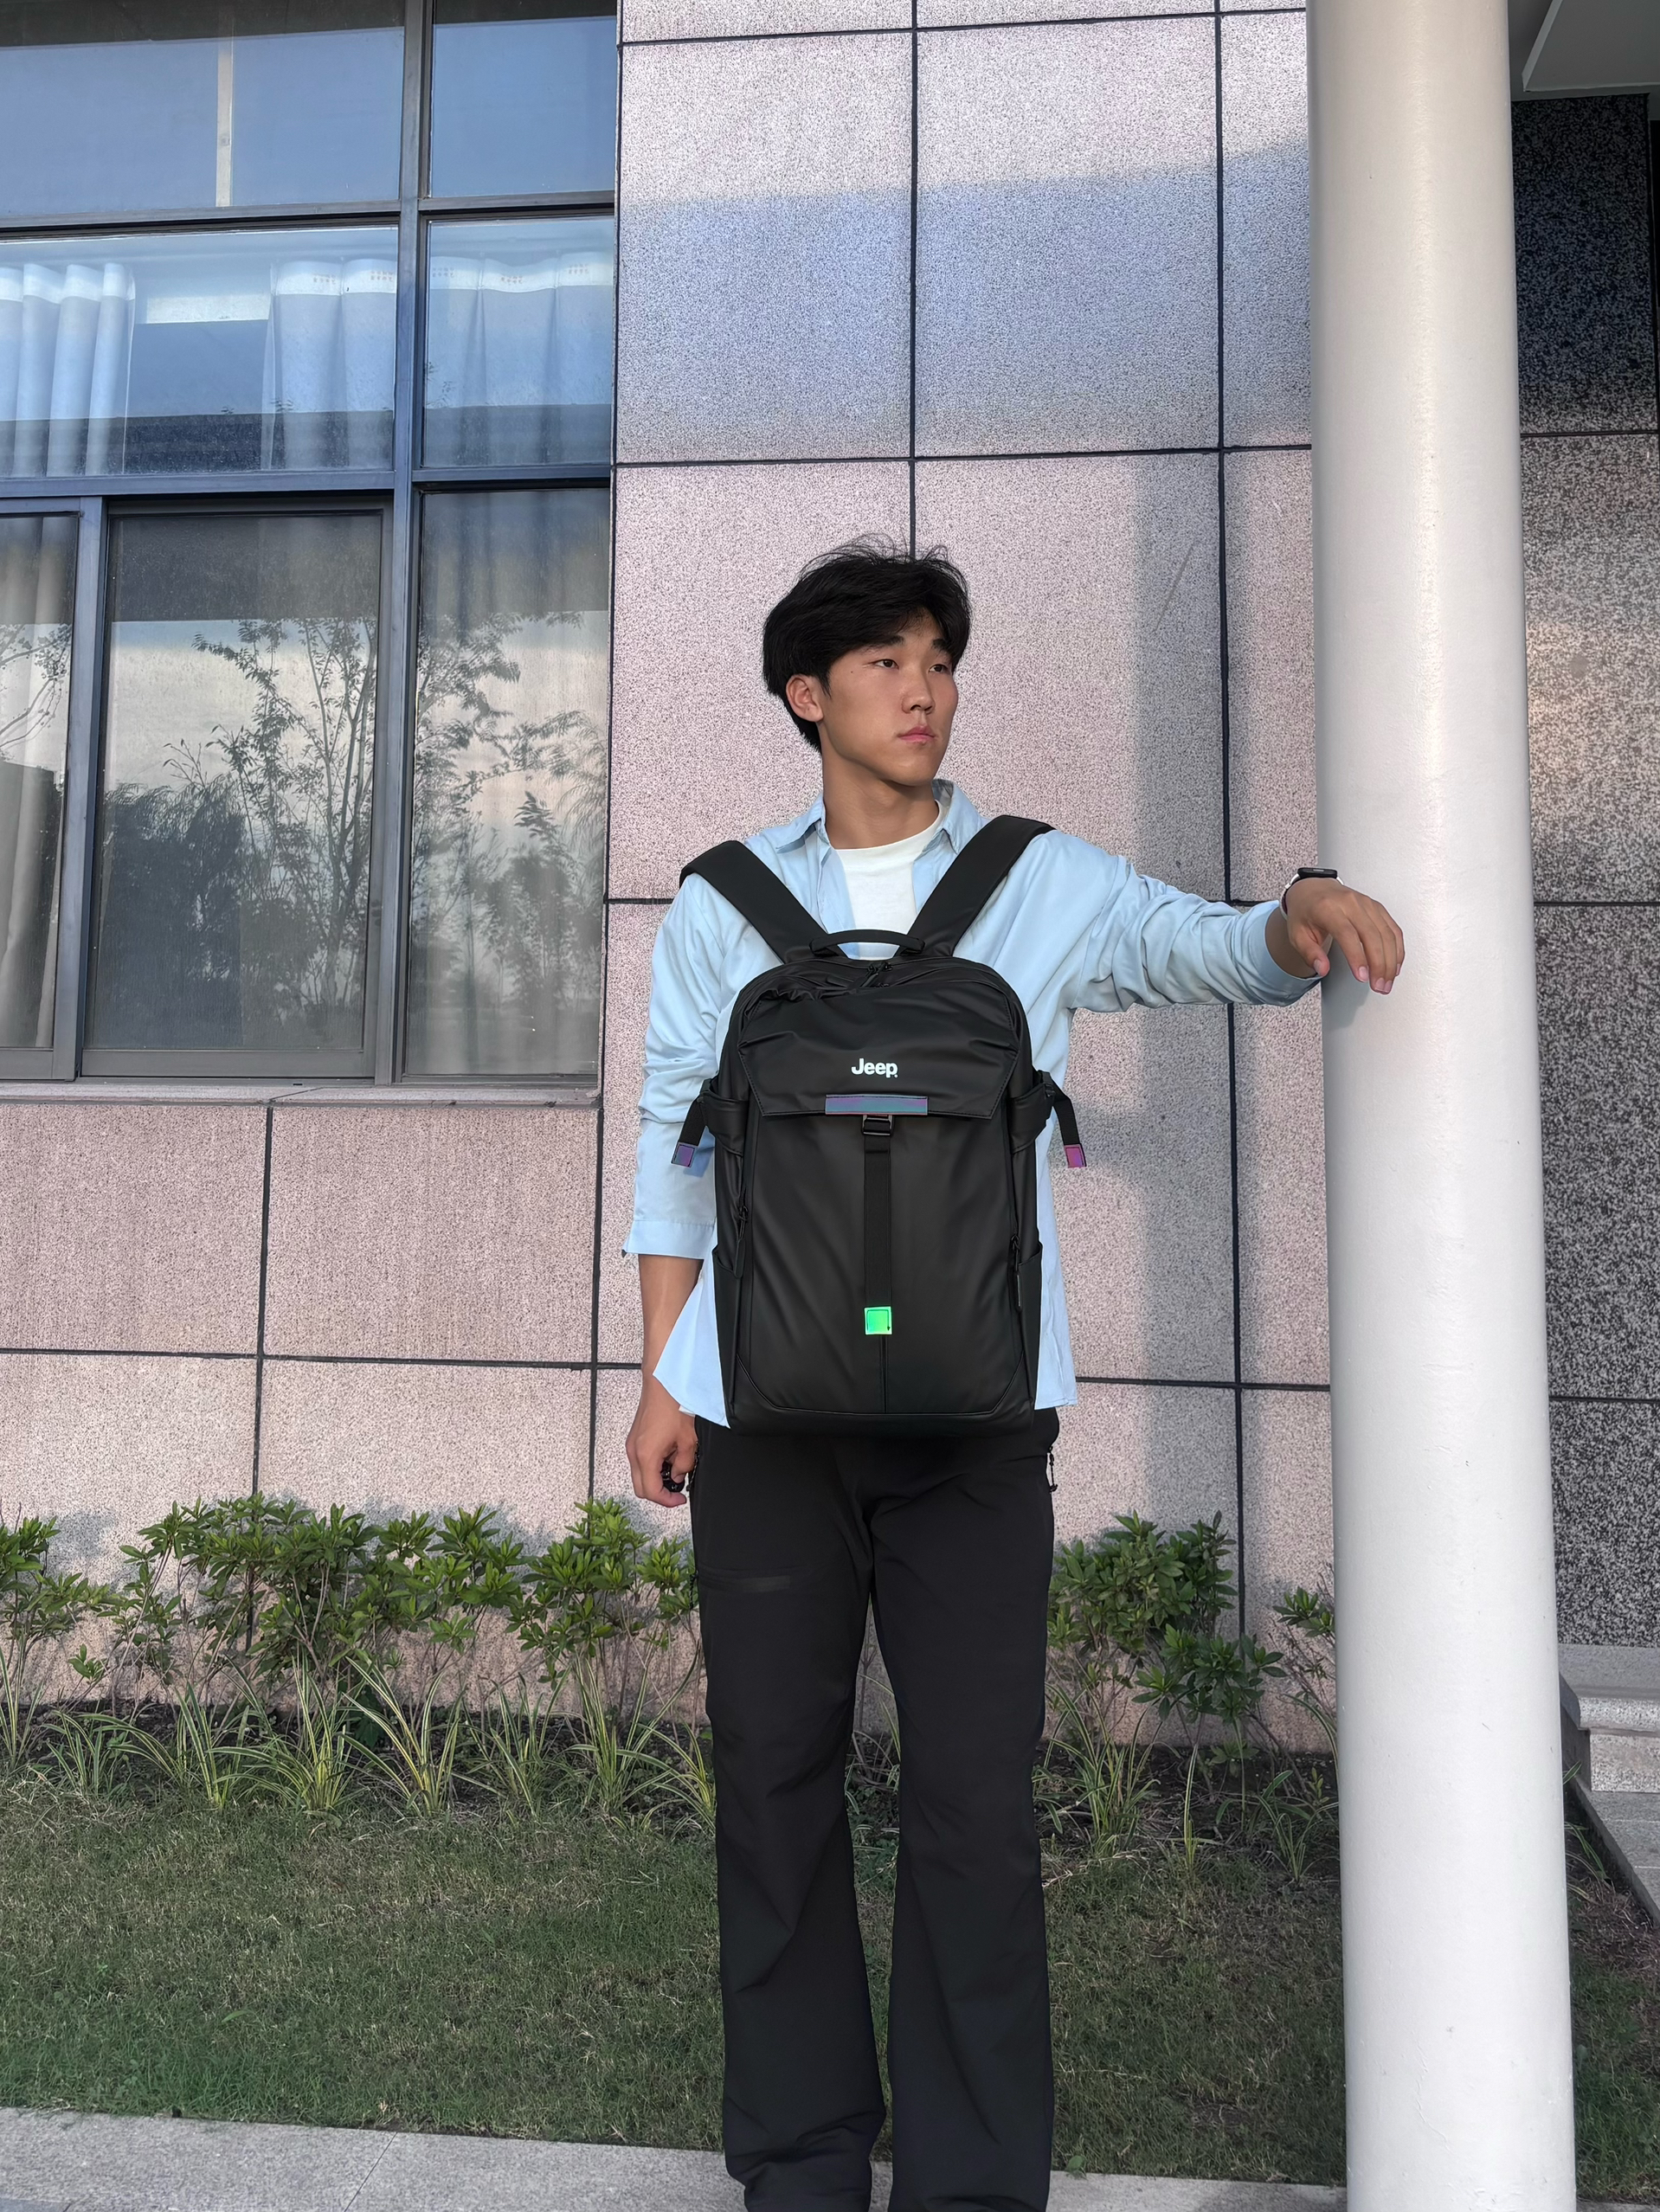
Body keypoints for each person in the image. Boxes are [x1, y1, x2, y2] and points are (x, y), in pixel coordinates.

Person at [623, 540, 1403, 2212]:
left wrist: (1298, 915)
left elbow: (1205, 948)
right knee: (771, 1786)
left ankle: (971, 2183)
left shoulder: (1036, 881)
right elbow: (674, 1143)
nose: (925, 692)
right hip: (758, 1414)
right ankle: (800, 2166)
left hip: (976, 1424)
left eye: (938, 661)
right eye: (885, 664)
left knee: (974, 1803)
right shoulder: (719, 903)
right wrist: (660, 1373)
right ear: (804, 696)